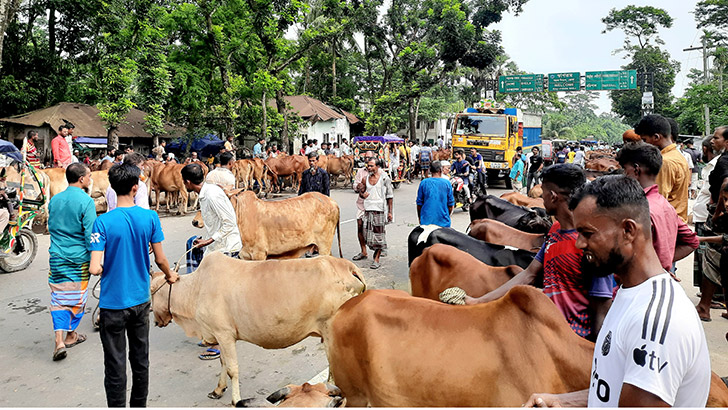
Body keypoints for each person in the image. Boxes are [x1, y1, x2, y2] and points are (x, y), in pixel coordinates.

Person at [525, 175, 710, 408]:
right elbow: (615, 389)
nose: (580, 244)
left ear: (628, 231)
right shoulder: (629, 294)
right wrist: (563, 401)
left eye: (588, 233)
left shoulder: (654, 323)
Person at [463, 164, 613, 341]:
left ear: (553, 196)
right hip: (547, 337)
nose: (541, 198)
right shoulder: (555, 231)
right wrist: (477, 301)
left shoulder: (591, 241)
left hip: (575, 344)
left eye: (543, 192)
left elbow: (602, 310)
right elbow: (529, 274)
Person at [89, 163, 178, 407]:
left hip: (112, 305)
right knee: (140, 360)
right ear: (136, 188)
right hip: (140, 302)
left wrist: (110, 264)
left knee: (115, 365)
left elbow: (94, 268)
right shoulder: (150, 217)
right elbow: (160, 259)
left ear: (112, 188)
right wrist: (170, 275)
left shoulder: (102, 222)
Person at [181, 163, 242, 360]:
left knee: (216, 299)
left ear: (188, 182)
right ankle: (213, 336)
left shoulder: (213, 195)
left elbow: (229, 222)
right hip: (216, 247)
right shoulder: (206, 193)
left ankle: (218, 343)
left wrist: (209, 239)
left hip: (226, 248)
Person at [616, 142, 699, 276]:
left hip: (639, 280)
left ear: (636, 170)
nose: (624, 175)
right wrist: (662, 263)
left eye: (625, 170)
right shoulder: (665, 205)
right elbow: (692, 242)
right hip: (659, 275)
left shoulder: (637, 209)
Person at [47, 163, 96, 361]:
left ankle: (61, 339)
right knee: (77, 297)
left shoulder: (55, 199)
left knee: (58, 297)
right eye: (89, 176)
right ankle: (70, 335)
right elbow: (91, 235)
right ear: (82, 179)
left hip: (57, 257)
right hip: (79, 259)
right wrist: (97, 259)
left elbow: (51, 227)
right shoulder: (86, 201)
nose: (90, 179)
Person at [635, 114, 690, 221]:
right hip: (676, 220)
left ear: (656, 137)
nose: (644, 145)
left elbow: (657, 200)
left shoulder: (665, 162)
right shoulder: (678, 156)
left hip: (667, 222)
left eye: (645, 140)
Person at [356, 158, 393, 270]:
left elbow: (390, 196)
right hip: (367, 210)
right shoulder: (365, 179)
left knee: (378, 235)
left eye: (372, 166)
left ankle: (376, 258)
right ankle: (366, 251)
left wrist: (390, 212)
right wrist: (362, 193)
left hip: (380, 210)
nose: (369, 168)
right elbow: (361, 193)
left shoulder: (385, 179)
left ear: (378, 167)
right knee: (367, 234)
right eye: (368, 166)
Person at [352, 151, 379, 263]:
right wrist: (358, 188)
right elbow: (355, 185)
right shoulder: (360, 172)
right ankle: (363, 251)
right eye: (366, 158)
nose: (367, 160)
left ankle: (377, 254)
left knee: (377, 230)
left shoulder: (381, 173)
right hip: (362, 204)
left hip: (375, 205)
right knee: (359, 227)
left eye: (369, 158)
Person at [416, 161, 454, 227]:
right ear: (440, 170)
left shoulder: (424, 182)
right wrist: (446, 215)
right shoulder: (447, 183)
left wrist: (420, 218)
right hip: (443, 223)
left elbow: (419, 204)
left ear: (430, 170)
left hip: (426, 222)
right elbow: (450, 205)